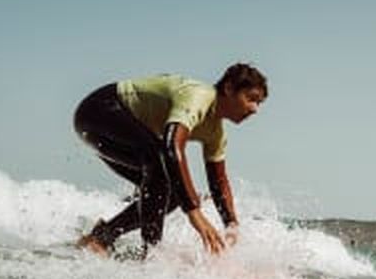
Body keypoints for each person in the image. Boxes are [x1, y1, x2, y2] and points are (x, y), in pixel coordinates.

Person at [73, 63, 268, 258]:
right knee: (160, 164)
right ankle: (152, 256)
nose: (255, 109)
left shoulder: (216, 133)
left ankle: (101, 238)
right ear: (229, 88)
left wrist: (231, 225)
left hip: (117, 137)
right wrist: (194, 212)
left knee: (172, 189)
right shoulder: (199, 95)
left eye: (259, 103)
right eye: (251, 99)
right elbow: (171, 146)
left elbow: (218, 182)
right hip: (98, 110)